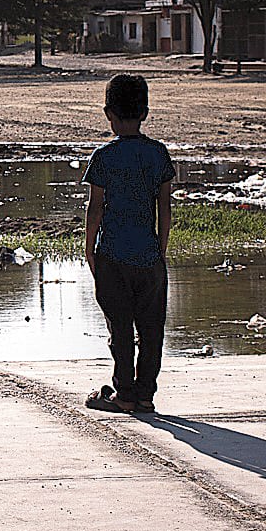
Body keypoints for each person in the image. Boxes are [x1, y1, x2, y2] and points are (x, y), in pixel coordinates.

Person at [82, 73, 175, 414]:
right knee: (151, 330)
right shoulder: (158, 154)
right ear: (145, 113)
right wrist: (160, 250)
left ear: (109, 113)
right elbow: (164, 208)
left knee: (119, 329)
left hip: (112, 256)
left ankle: (123, 393)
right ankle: (145, 394)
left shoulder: (103, 156)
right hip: (148, 255)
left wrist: (90, 249)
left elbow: (96, 208)